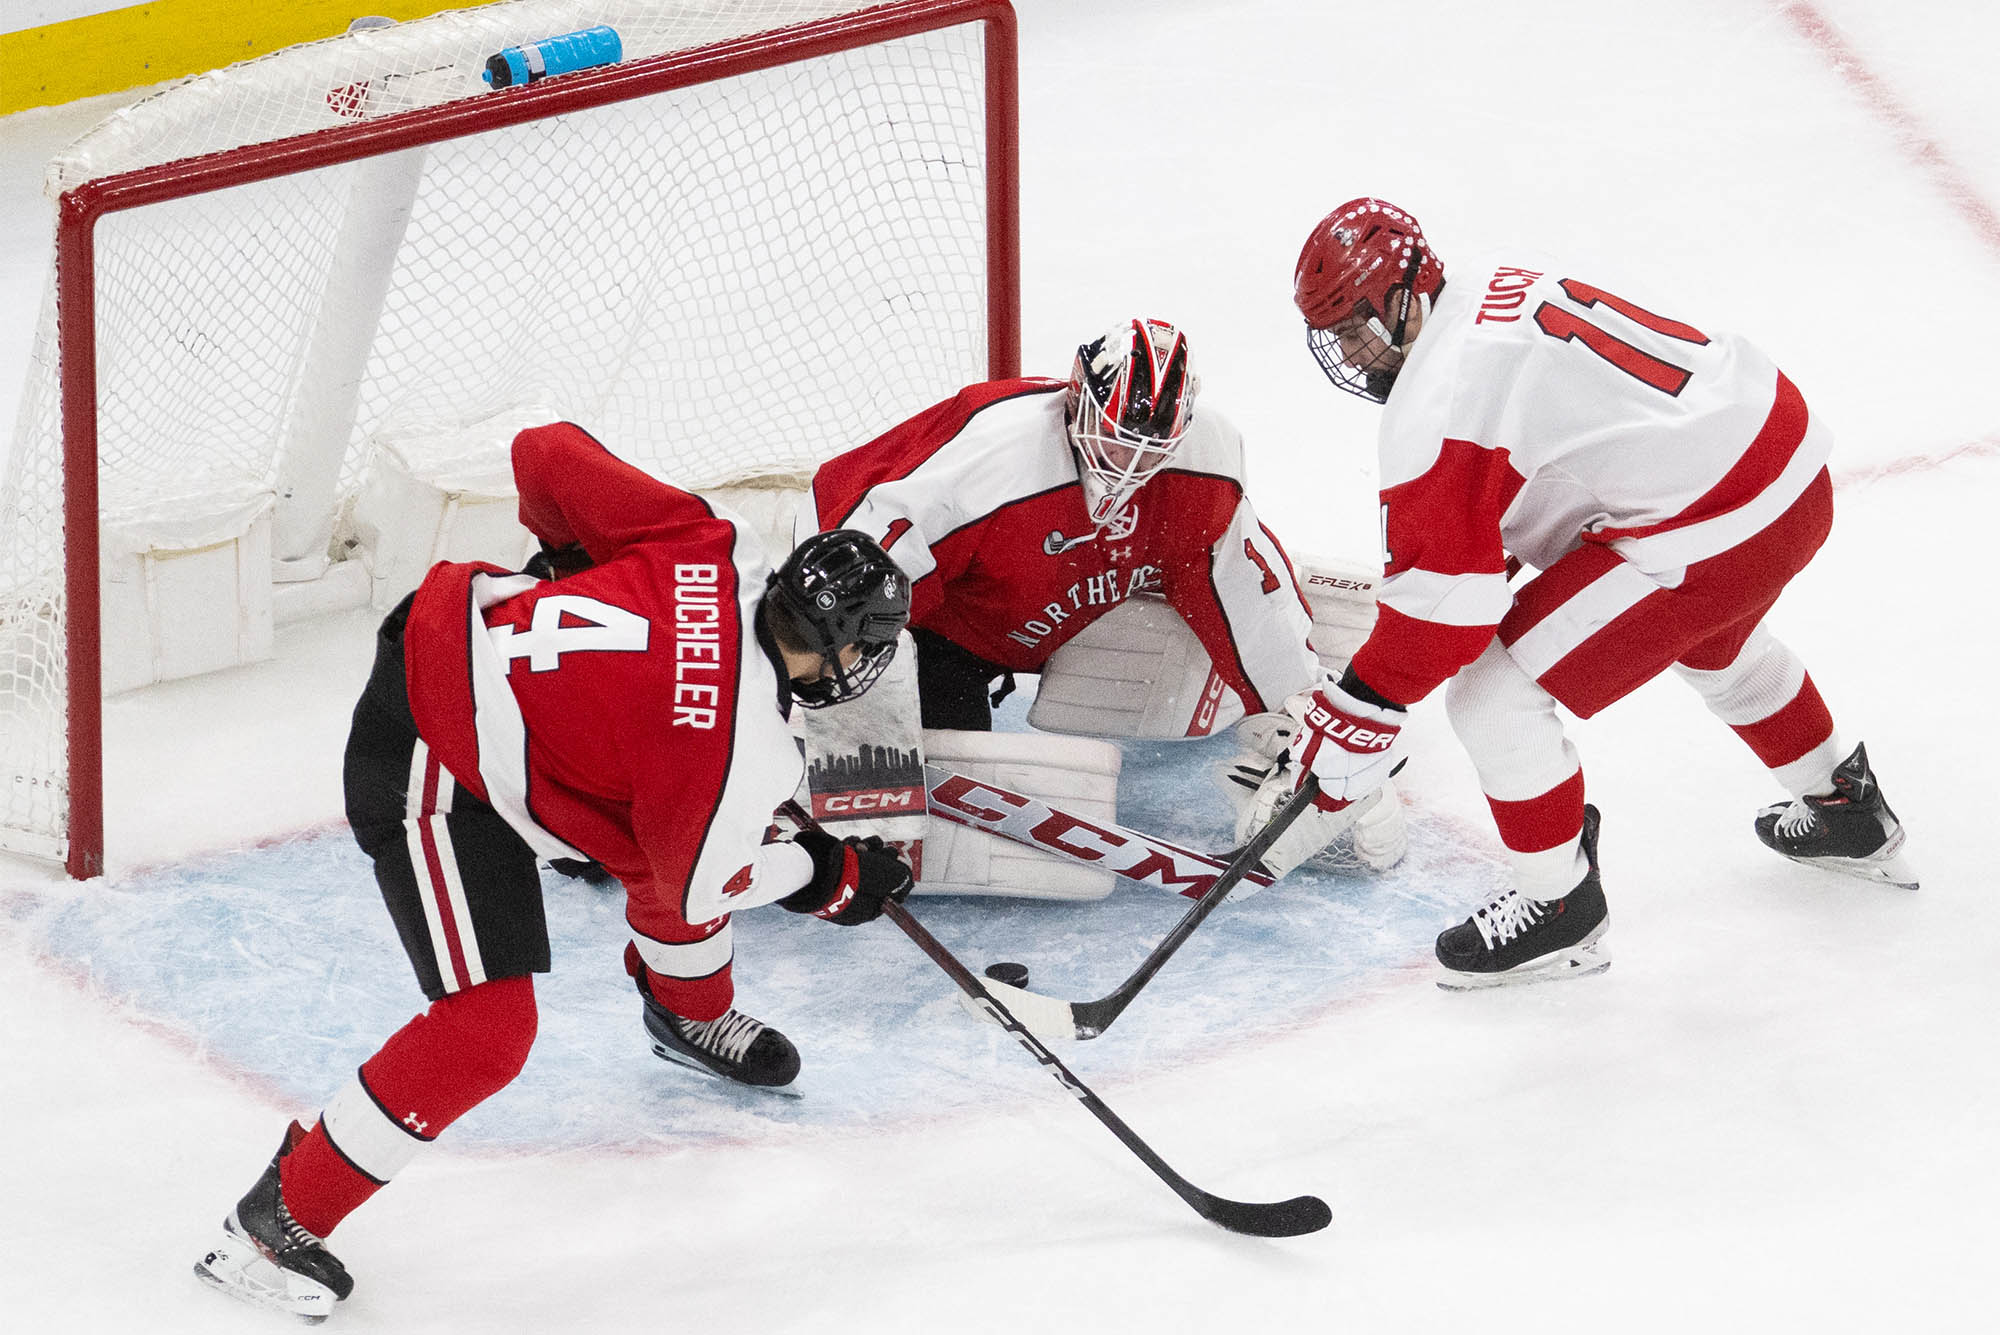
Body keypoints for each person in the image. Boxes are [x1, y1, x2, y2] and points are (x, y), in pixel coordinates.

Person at [193, 421, 914, 1320]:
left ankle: (688, 1018)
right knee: (488, 1031)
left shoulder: (714, 543)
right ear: (843, 645)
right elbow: (700, 889)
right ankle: (272, 1225)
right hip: (431, 746)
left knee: (670, 835)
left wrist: (568, 555)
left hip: (458, 637)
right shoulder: (741, 758)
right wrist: (826, 877)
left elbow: (545, 452)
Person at [1258, 196, 1916, 989]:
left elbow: (1444, 619)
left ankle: (1558, 909)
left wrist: (1360, 708)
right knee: (1717, 643)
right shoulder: (1482, 291)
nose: (1355, 354)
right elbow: (1526, 478)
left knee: (1493, 692)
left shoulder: (1434, 402)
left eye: (1359, 326)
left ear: (1404, 295)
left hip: (1718, 518)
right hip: (1778, 457)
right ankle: (1846, 806)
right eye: (1335, 337)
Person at [798, 316, 1404, 877]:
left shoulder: (1203, 465)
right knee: (936, 783)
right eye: (1117, 440)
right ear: (1076, 395)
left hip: (1073, 606)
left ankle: (1262, 737)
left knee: (1218, 594)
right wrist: (829, 707)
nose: (1130, 464)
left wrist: (1321, 725)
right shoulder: (993, 457)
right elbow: (847, 562)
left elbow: (1249, 594)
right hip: (948, 627)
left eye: (1151, 447)